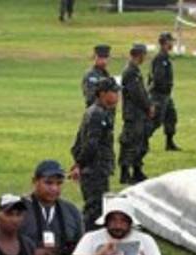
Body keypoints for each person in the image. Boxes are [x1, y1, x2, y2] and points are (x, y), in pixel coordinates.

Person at [21, 160, 84, 255]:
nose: (54, 188)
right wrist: (31, 253)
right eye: (48, 183)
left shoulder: (71, 211)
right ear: (34, 181)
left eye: (59, 183)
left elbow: (81, 249)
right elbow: (0, 243)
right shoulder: (19, 208)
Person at [70, 77, 118, 225]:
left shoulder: (99, 111)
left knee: (97, 206)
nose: (117, 96)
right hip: (95, 169)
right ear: (102, 93)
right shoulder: (97, 114)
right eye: (114, 92)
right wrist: (79, 164)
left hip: (96, 168)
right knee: (94, 209)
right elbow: (90, 144)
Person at [119, 43, 154, 185]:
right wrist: (148, 107)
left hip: (139, 113)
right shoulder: (130, 72)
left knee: (141, 143)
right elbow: (137, 94)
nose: (145, 57)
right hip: (133, 114)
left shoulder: (135, 70)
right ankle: (125, 173)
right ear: (139, 55)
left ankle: (137, 170)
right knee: (130, 143)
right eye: (144, 54)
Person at [148, 32, 180, 152]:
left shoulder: (165, 57)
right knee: (156, 120)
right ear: (165, 42)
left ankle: (169, 143)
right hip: (159, 94)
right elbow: (157, 78)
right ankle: (141, 140)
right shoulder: (160, 58)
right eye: (170, 41)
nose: (172, 44)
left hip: (166, 94)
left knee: (171, 117)